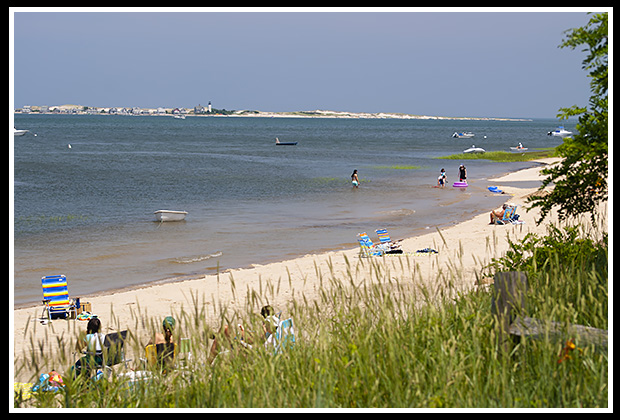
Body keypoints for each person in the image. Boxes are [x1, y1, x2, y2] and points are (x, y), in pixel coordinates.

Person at [208, 305, 279, 363]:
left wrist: (264, 331)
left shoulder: (266, 332)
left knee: (224, 329)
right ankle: (217, 336)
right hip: (245, 340)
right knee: (225, 330)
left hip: (243, 347)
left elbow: (256, 341)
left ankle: (208, 363)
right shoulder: (275, 330)